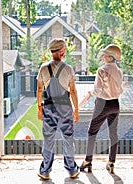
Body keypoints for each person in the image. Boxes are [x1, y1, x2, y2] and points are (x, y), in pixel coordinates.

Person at [36, 38, 80, 180]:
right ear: (61, 51)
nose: (65, 51)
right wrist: (76, 110)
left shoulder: (43, 68)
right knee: (68, 138)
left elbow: (39, 90)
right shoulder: (68, 69)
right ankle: (72, 170)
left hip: (49, 107)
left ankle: (45, 171)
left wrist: (39, 109)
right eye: (65, 49)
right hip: (65, 107)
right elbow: (72, 91)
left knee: (49, 139)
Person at [80, 44, 123, 174]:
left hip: (102, 104)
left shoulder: (102, 70)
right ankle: (111, 162)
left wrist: (90, 92)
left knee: (92, 132)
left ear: (111, 57)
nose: (102, 56)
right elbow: (120, 89)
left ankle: (87, 161)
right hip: (115, 104)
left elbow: (98, 90)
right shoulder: (119, 71)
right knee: (113, 134)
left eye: (105, 55)